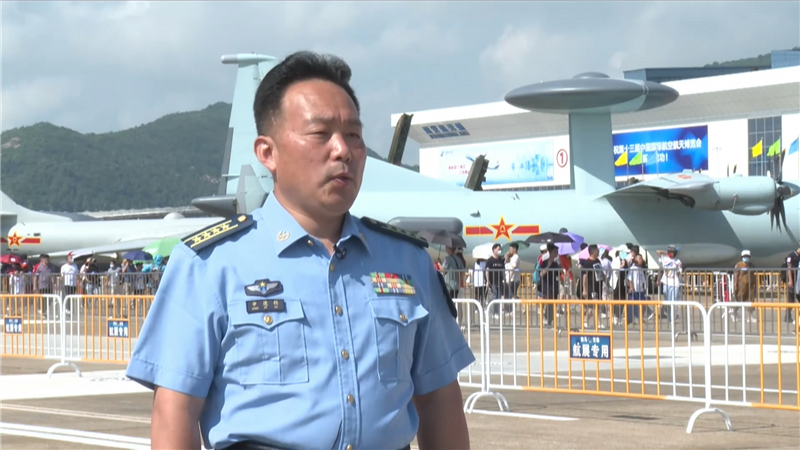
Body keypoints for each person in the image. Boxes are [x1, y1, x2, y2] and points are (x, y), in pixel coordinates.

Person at [125, 51, 474, 450]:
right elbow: (175, 410)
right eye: (320, 133)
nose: (343, 150)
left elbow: (439, 399)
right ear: (267, 153)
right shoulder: (210, 265)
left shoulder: (407, 261)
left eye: (354, 135)